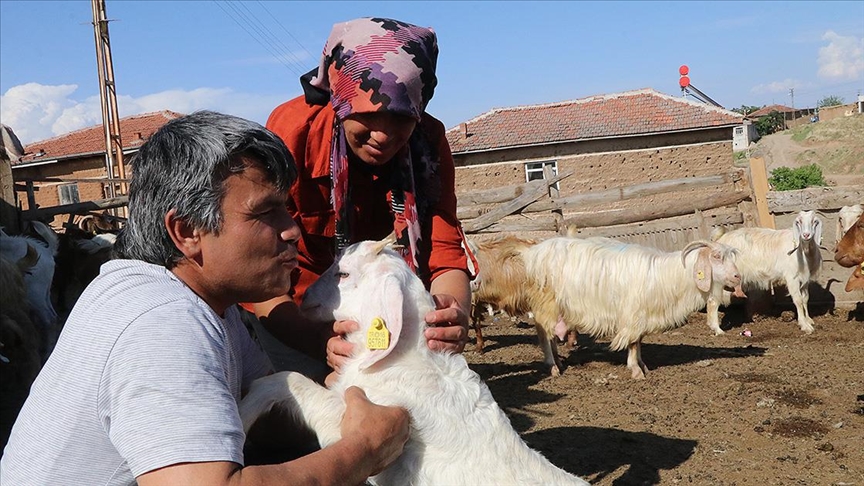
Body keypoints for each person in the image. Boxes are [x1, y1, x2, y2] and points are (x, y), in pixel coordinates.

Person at [0, 111, 410, 486]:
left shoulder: (202, 303)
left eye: (287, 209)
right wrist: (364, 450)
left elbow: (264, 410)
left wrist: (348, 403)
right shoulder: (162, 321)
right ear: (187, 231)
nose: (292, 230)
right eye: (266, 213)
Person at [251, 17, 477, 377]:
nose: (383, 135)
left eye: (401, 118)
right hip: (296, 314)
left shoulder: (428, 145)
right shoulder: (292, 135)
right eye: (368, 115)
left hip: (384, 309)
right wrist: (317, 341)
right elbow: (257, 269)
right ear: (340, 102)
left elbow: (444, 247)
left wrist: (453, 314)